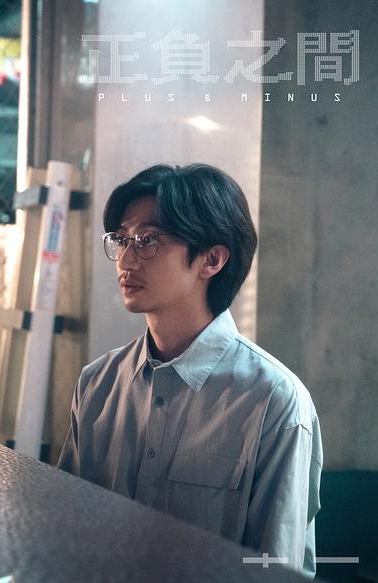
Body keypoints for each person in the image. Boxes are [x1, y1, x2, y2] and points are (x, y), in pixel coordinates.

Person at [57, 164, 323, 577]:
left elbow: (275, 568)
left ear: (212, 259)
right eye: (122, 239)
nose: (126, 258)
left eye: (148, 240)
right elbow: (66, 531)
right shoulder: (98, 383)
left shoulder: (273, 400)